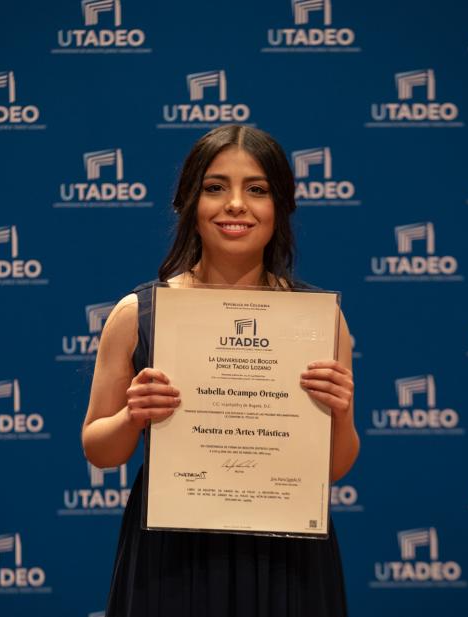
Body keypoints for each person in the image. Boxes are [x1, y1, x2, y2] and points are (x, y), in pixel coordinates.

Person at [81, 125, 359, 617]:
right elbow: (100, 450)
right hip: (172, 555)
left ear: (281, 206)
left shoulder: (319, 320)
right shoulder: (137, 314)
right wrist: (131, 416)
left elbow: (334, 467)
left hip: (286, 554)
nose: (235, 205)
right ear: (188, 203)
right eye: (215, 187)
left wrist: (338, 413)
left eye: (257, 189)